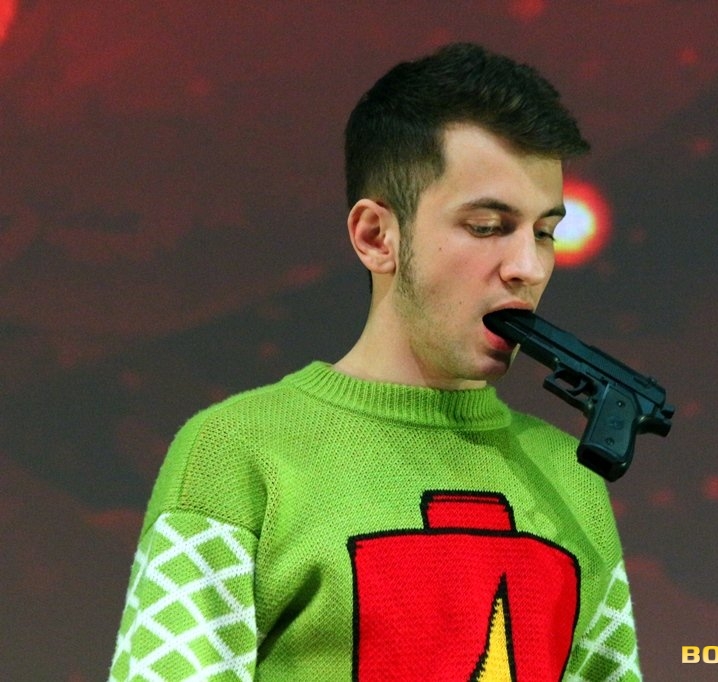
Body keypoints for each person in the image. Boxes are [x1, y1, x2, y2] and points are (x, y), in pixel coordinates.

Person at [109, 42, 641, 681]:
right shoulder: (237, 454)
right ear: (376, 236)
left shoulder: (572, 481)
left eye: (545, 232)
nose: (527, 267)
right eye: (486, 226)